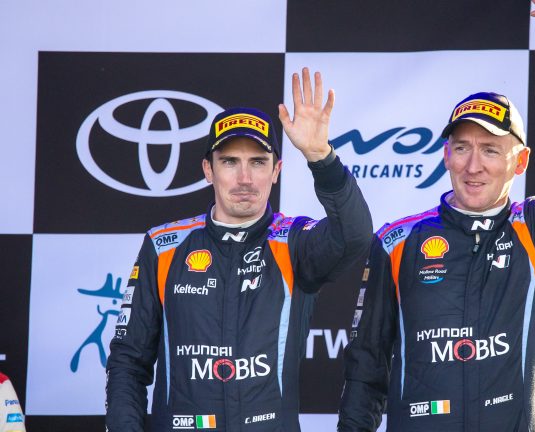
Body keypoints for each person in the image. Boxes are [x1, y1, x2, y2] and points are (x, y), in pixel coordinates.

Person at [338, 0, 535, 431]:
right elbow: (366, 367)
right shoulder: (398, 242)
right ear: (446, 155)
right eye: (462, 148)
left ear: (520, 161)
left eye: (490, 150)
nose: (473, 166)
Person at [106, 68, 373, 431]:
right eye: (230, 162)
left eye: (258, 162)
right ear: (208, 169)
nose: (245, 178)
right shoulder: (164, 246)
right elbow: (128, 361)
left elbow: (355, 236)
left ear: (276, 171)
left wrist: (321, 159)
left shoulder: (294, 242)